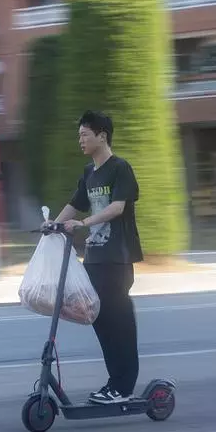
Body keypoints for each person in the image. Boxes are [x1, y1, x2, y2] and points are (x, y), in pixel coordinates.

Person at [46, 110, 143, 404]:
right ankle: (115, 383)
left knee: (118, 322)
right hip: (95, 258)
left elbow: (117, 207)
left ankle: (124, 387)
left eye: (85, 134)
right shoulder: (89, 174)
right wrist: (52, 226)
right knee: (98, 318)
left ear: (102, 135)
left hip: (118, 258)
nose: (80, 141)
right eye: (79, 135)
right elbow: (74, 205)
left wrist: (84, 224)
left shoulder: (119, 168)